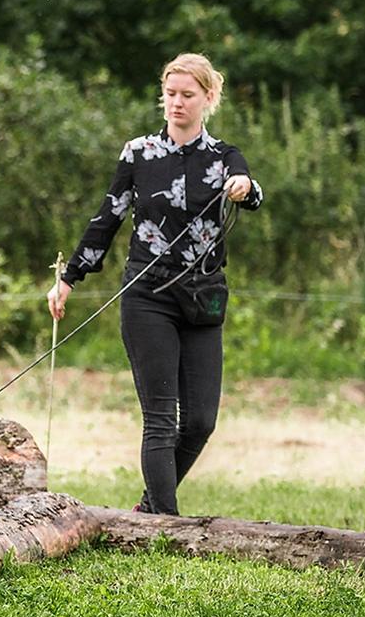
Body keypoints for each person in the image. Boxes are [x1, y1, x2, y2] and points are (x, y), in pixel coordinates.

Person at [46, 52, 264, 515]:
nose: (177, 103)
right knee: (161, 420)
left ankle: (150, 508)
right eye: (170, 94)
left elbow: (251, 191)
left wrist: (244, 187)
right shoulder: (138, 154)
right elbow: (107, 218)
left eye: (188, 95)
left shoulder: (224, 157)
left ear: (209, 97)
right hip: (148, 297)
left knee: (200, 422)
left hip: (202, 299)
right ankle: (165, 525)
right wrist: (69, 279)